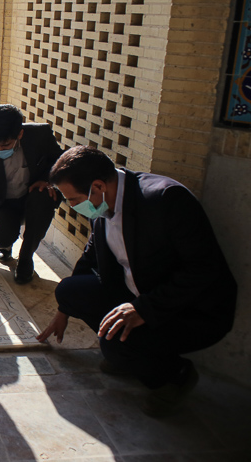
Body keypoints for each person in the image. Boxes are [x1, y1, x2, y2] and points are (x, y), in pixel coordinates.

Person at [37, 146, 237, 416]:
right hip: (137, 293)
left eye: (74, 199)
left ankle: (175, 375)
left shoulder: (164, 199)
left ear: (98, 186)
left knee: (114, 345)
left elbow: (204, 269)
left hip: (187, 309)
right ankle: (133, 354)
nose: (72, 206)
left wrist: (144, 308)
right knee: (69, 291)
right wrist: (64, 309)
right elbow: (90, 257)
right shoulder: (102, 205)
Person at [0, 104, 63, 283]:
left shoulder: (40, 135)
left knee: (45, 197)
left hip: (31, 197)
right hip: (0, 203)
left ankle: (26, 258)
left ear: (20, 134)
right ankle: (5, 246)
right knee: (2, 234)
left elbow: (59, 160)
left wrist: (47, 180)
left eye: (5, 145)